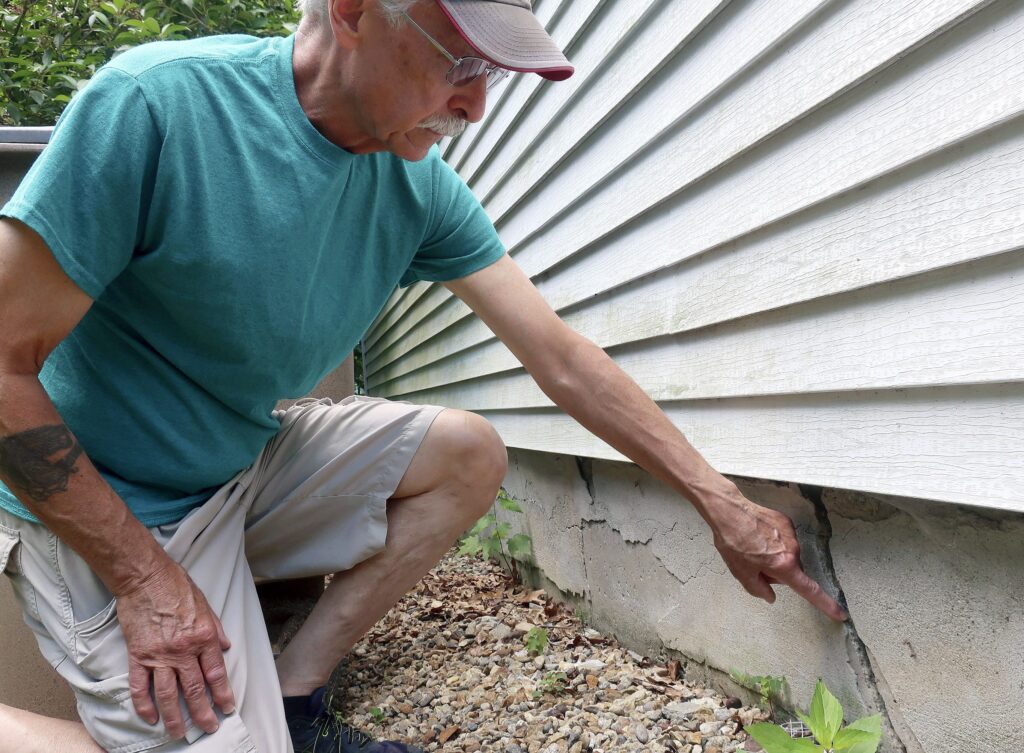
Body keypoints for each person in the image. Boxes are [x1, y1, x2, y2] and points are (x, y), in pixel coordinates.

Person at [0, 0, 848, 750]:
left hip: (236, 459)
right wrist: (146, 580)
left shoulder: (416, 186)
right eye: (463, 62)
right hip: (116, 504)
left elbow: (560, 357)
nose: (476, 105)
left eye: (494, 76)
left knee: (468, 452)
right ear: (353, 10)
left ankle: (294, 700)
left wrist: (724, 505)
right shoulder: (160, 106)